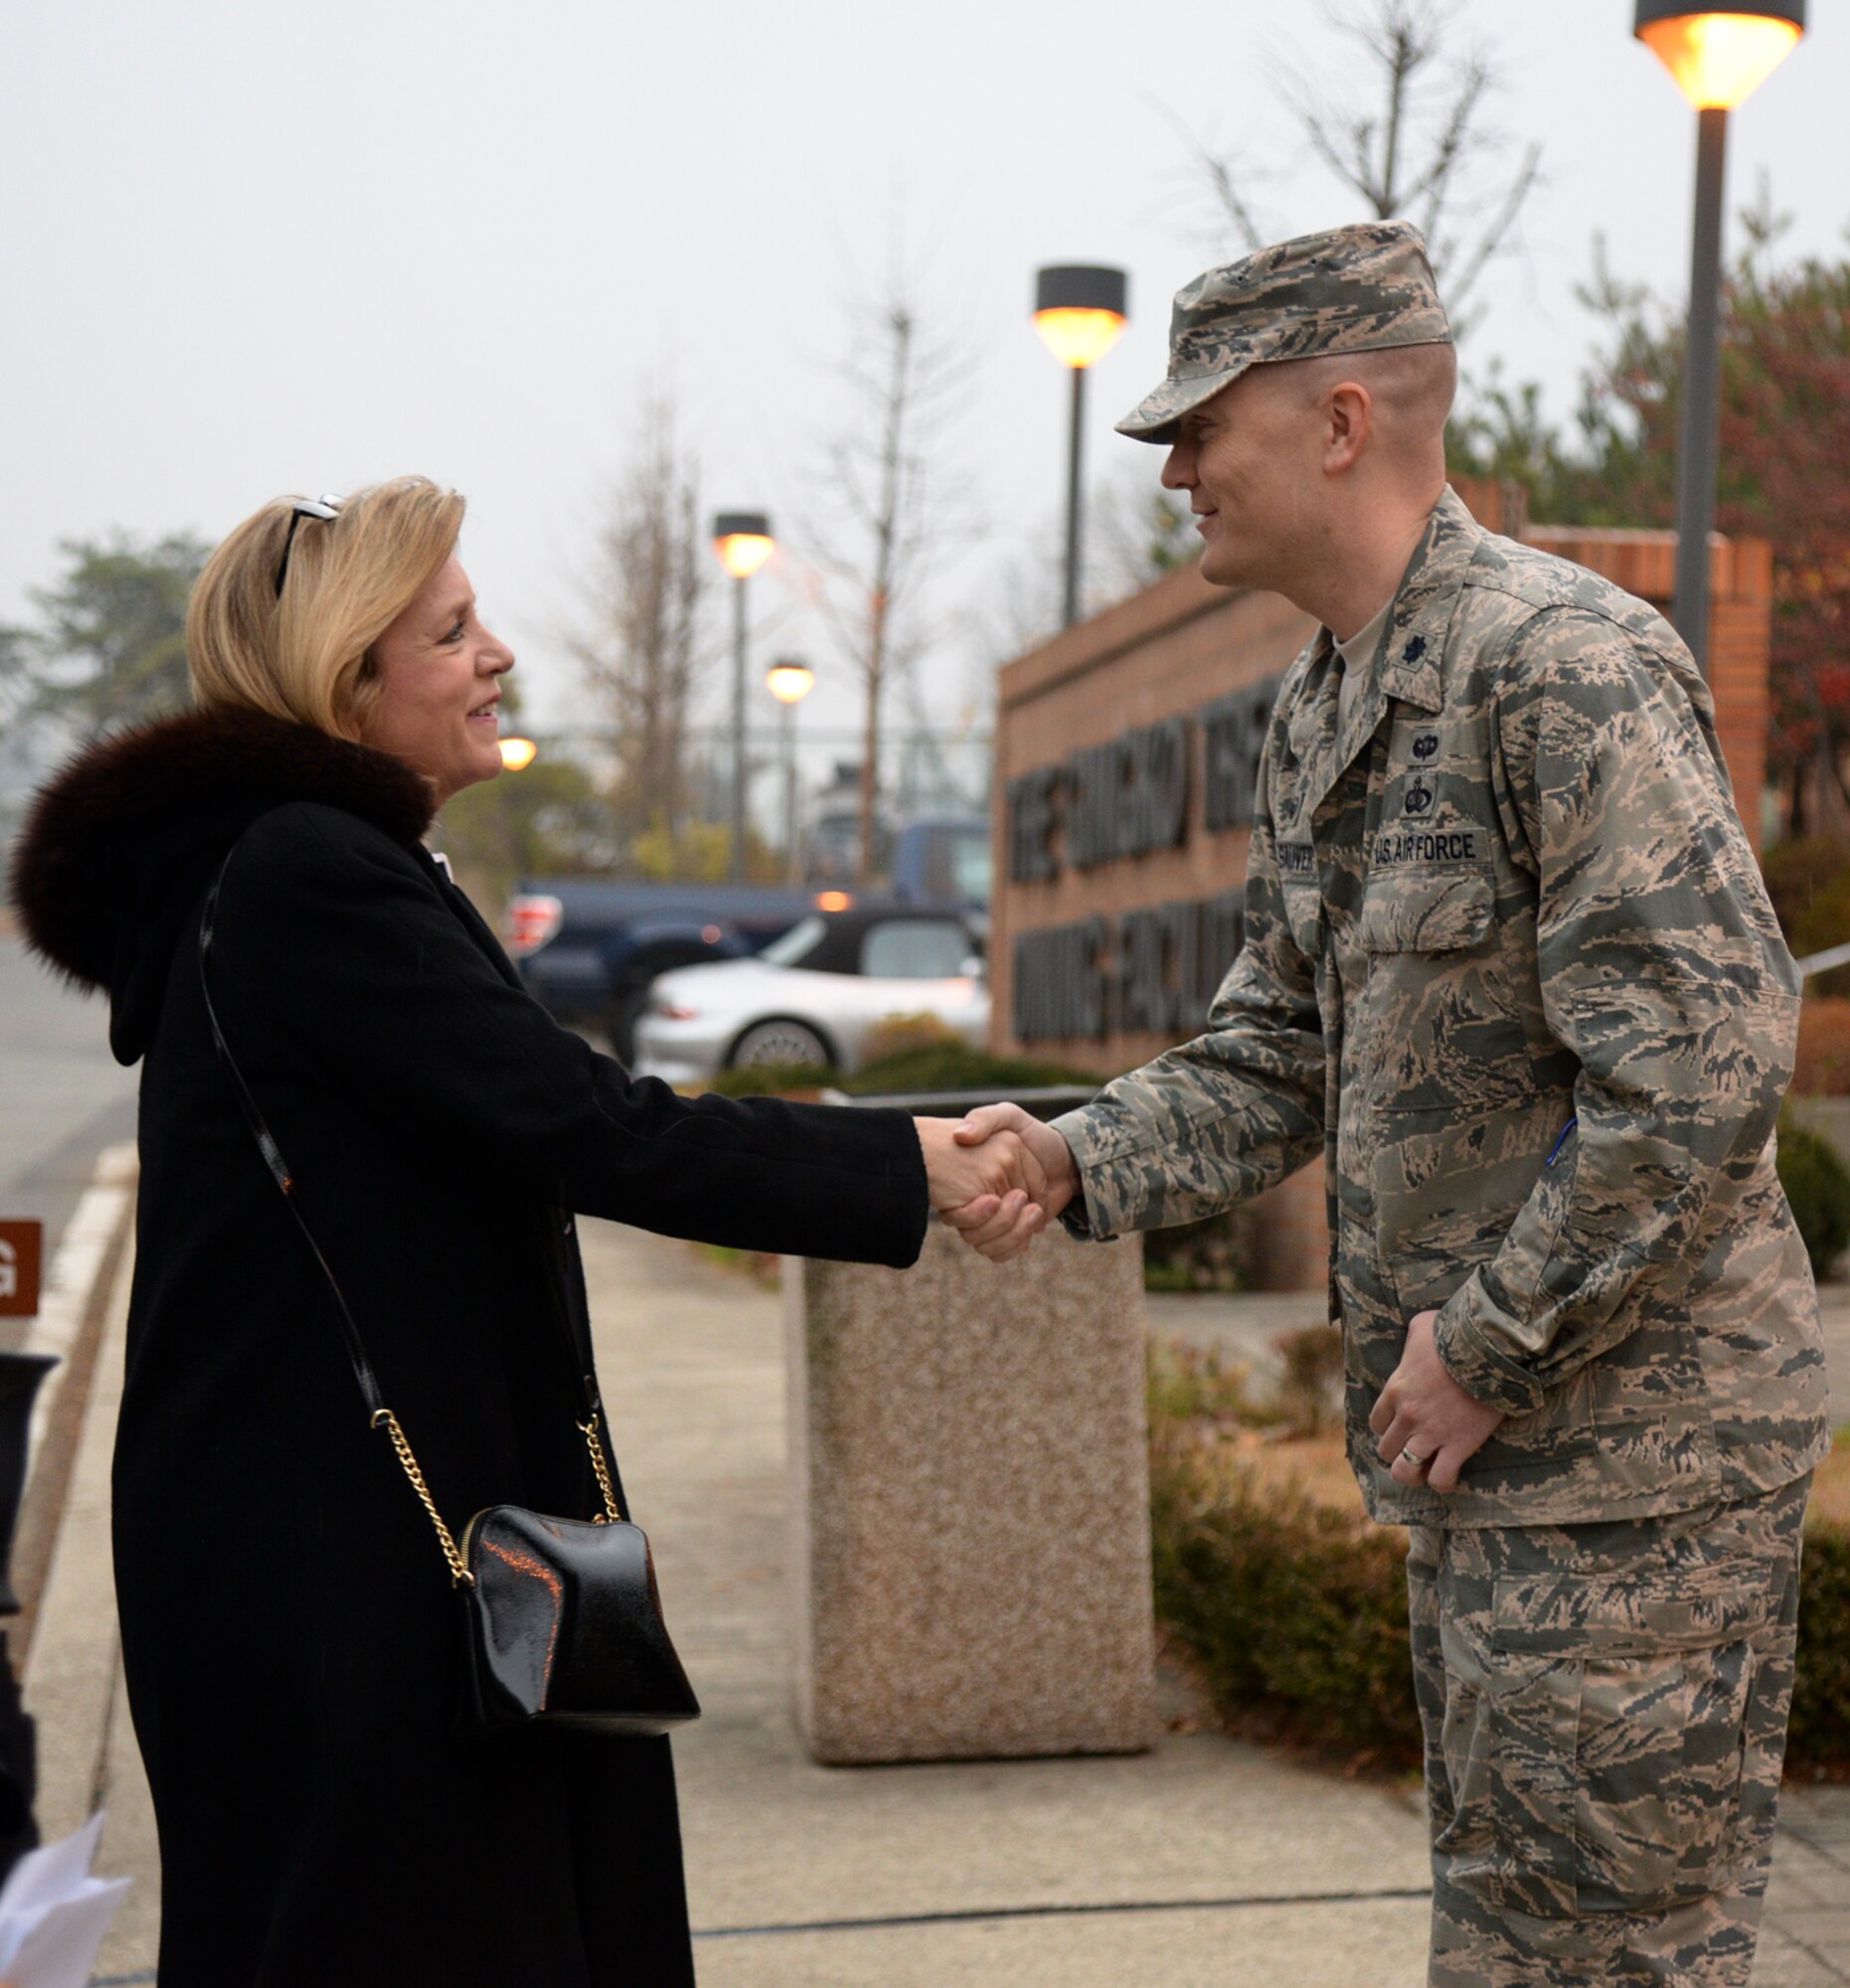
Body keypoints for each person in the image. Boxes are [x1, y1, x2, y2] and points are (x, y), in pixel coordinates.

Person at [6, 477, 1038, 1987]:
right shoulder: (308, 874)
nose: (496, 656)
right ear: (345, 681)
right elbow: (584, 1122)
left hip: (333, 1528)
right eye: (451, 630)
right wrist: (904, 1165)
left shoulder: (299, 867)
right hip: (344, 1566)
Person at [948, 223, 1831, 1988]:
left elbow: (1701, 1060)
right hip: (1501, 1475)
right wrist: (1064, 1154)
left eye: (1204, 428)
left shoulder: (1560, 666)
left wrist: (1487, 1346)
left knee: (1605, 1962)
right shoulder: (1327, 702)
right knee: (1513, 1948)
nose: (1179, 470)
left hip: (1627, 1479)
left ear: (1340, 419)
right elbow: (1278, 1048)